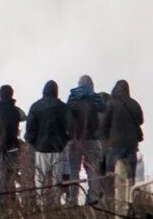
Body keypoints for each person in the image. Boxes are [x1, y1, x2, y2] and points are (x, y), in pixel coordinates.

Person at [27, 79, 71, 207]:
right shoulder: (63, 107)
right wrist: (65, 140)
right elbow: (70, 127)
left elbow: (30, 128)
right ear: (56, 92)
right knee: (57, 181)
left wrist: (32, 142)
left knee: (40, 181)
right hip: (58, 149)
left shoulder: (35, 106)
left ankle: (42, 207)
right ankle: (55, 206)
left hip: (41, 149)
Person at [65, 75, 109, 200]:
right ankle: (94, 197)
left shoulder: (73, 97)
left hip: (75, 139)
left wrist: (70, 135)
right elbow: (104, 109)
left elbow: (67, 115)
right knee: (93, 169)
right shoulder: (95, 97)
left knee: (74, 170)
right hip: (92, 138)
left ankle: (72, 199)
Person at [104, 80, 143, 201]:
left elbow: (105, 122)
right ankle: (130, 199)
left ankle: (110, 197)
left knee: (111, 170)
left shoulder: (111, 103)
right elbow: (141, 120)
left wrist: (106, 136)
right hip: (131, 143)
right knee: (130, 173)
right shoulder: (134, 104)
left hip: (116, 143)